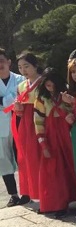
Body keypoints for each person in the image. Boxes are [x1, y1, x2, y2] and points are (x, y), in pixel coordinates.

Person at [33, 68, 76, 218]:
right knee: (55, 170)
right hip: (52, 136)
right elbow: (38, 121)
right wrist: (43, 143)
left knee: (74, 166)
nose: (50, 86)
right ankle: (58, 203)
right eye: (47, 84)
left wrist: (71, 113)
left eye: (53, 83)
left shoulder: (67, 94)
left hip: (69, 133)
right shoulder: (41, 99)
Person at [13, 52, 43, 203]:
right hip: (26, 123)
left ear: (35, 65)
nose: (23, 70)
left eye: (26, 66)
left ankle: (46, 191)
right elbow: (19, 112)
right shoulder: (21, 86)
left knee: (42, 156)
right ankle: (35, 193)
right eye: (20, 67)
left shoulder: (43, 82)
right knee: (29, 158)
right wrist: (18, 109)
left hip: (41, 120)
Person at [0, 49, 25, 207]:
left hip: (20, 122)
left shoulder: (21, 79)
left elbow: (22, 97)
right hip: (1, 127)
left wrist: (3, 101)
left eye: (1, 60)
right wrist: (12, 99)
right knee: (4, 160)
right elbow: (15, 99)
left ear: (9, 61)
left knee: (22, 157)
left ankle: (27, 192)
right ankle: (13, 195)